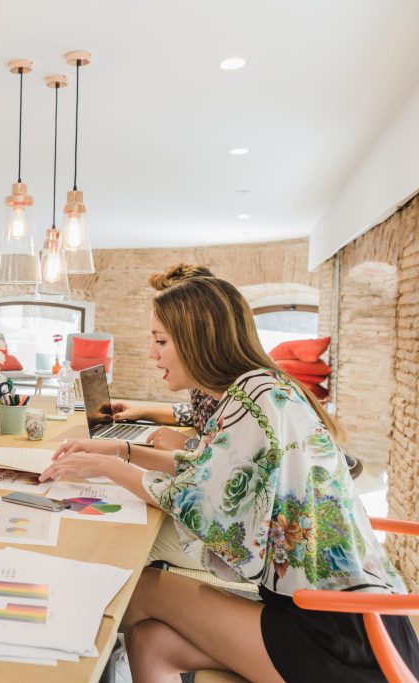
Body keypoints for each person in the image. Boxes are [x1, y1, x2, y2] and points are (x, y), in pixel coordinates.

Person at [41, 276, 418, 682]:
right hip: (351, 618)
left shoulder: (252, 398)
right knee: (153, 641)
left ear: (197, 340)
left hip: (337, 633)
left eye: (161, 341)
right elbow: (206, 467)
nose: (151, 353)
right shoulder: (260, 389)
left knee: (135, 588)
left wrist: (108, 467)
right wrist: (118, 451)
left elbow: (198, 501)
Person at [111, 264, 218, 452]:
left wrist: (186, 444)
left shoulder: (242, 395)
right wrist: (140, 411)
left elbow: (225, 459)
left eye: (161, 340)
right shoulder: (206, 382)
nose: (152, 353)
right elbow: (197, 413)